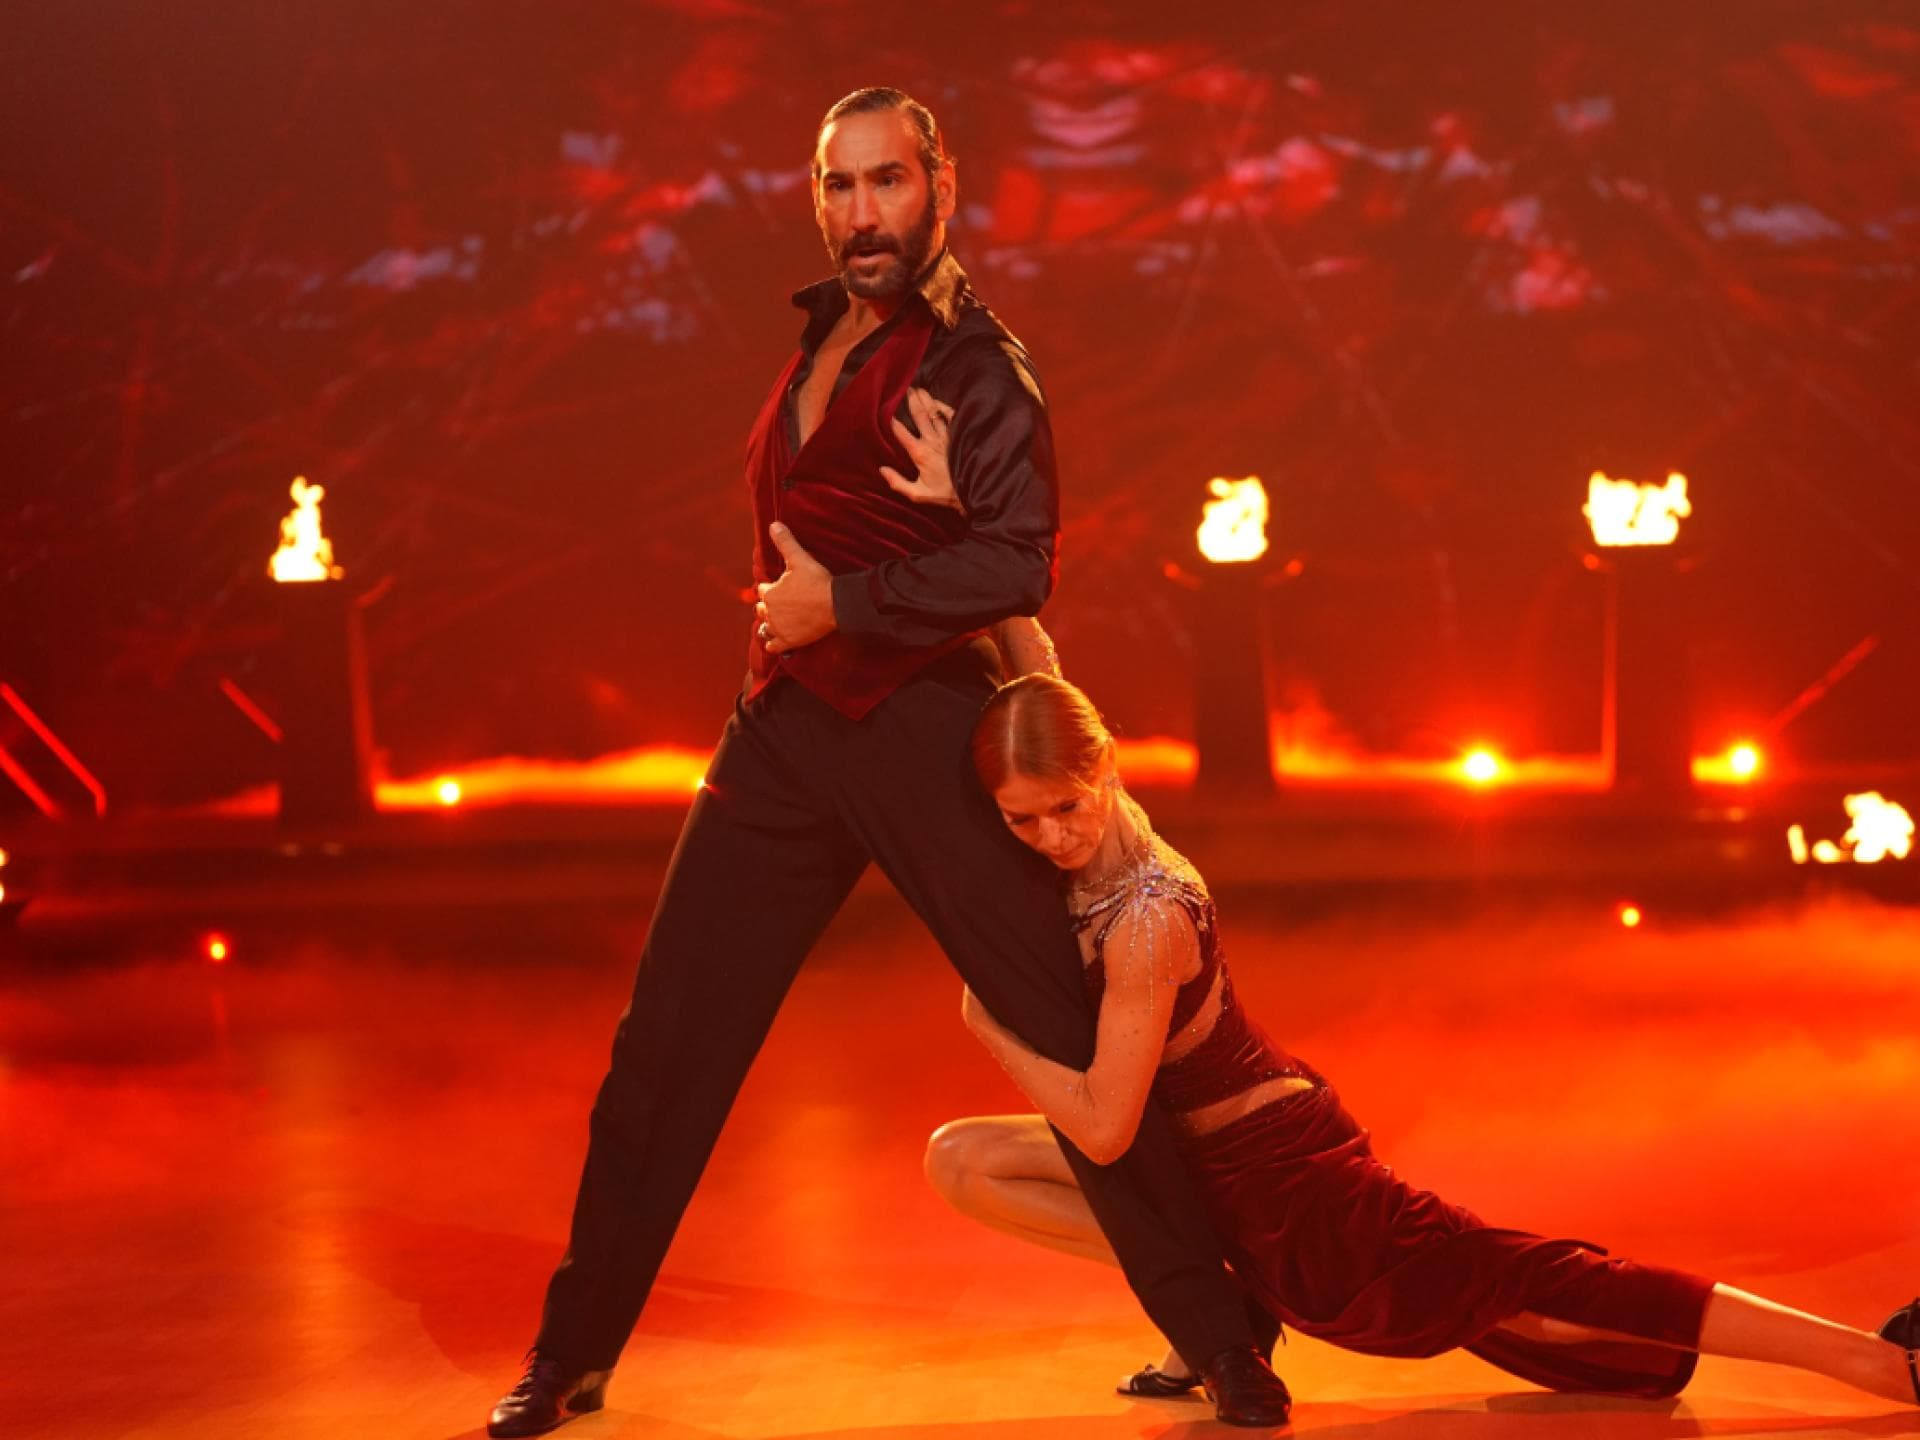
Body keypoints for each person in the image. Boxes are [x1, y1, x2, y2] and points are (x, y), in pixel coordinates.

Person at [487, 87, 1293, 1436]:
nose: (864, 213)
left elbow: (1020, 559)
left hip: (923, 722)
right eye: (841, 186)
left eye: (888, 184)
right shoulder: (821, 340)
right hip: (786, 730)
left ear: (941, 188)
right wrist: (805, 628)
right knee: (664, 1050)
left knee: (1063, 1018)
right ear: (818, 197)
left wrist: (846, 607)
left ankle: (1225, 1338)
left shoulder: (979, 365)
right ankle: (570, 1353)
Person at [911, 668, 1920, 1413]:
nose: (1051, 836)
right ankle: (1220, 1300)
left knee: (1540, 1291)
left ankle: (1874, 1363)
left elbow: (1099, 1127)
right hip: (1201, 1162)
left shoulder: (1146, 920)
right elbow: (1031, 661)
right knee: (964, 1159)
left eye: (1065, 809)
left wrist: (990, 1028)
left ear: (1105, 768)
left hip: (1298, 1200)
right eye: (1023, 820)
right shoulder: (1084, 827)